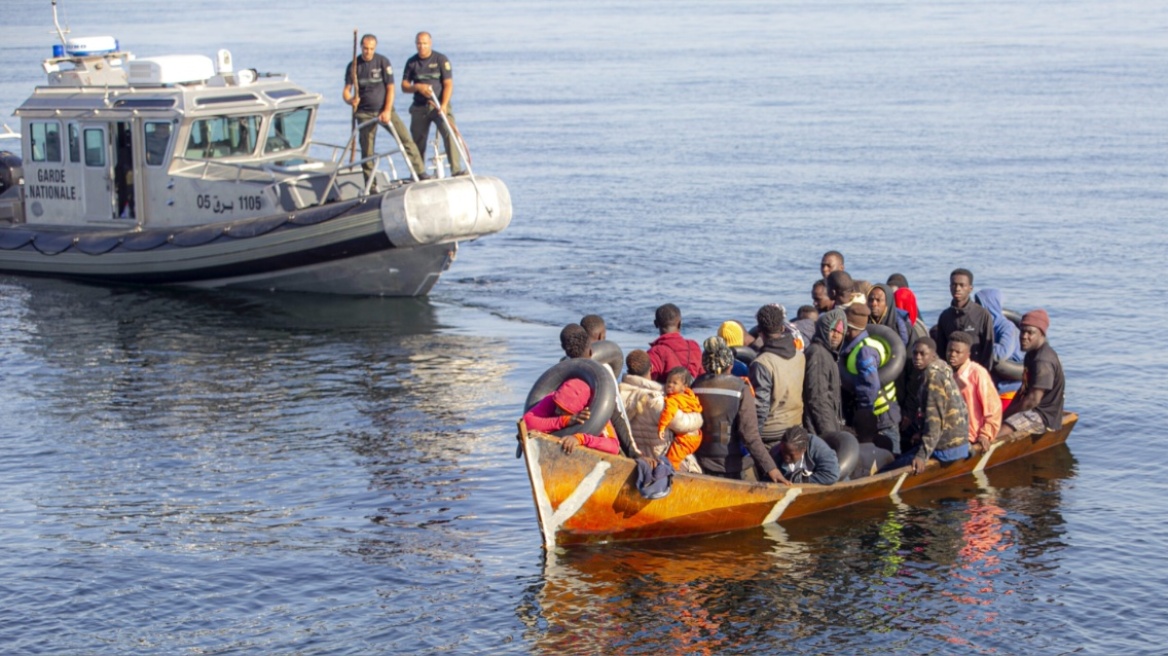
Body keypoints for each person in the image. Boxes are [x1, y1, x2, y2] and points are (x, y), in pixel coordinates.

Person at [692, 337, 787, 483]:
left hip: (701, 462)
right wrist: (771, 468)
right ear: (730, 365)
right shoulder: (740, 389)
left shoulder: (695, 386)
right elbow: (750, 435)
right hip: (734, 466)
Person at [343, 34, 427, 183]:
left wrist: (387, 110)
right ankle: (371, 183)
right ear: (361, 47)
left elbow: (391, 88)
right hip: (364, 113)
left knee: (405, 139)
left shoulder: (383, 62)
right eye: (365, 48)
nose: (368, 52)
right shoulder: (353, 65)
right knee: (367, 151)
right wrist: (350, 100)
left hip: (385, 110)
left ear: (375, 48)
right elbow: (346, 91)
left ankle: (420, 172)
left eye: (371, 49)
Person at [901, 337, 970, 474]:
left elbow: (935, 419)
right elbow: (963, 407)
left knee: (890, 467)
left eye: (922, 354)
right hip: (960, 444)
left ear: (932, 355)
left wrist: (922, 456)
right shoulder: (943, 367)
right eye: (915, 353)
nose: (917, 358)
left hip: (946, 449)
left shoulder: (932, 376)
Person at [839, 303, 901, 454]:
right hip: (885, 414)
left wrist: (865, 418)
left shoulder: (864, 352)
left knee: (889, 459)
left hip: (879, 418)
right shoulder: (867, 342)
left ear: (850, 327)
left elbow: (870, 386)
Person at [401, 32, 465, 176]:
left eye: (424, 43)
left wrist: (443, 105)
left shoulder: (441, 59)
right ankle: (418, 173)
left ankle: (456, 169)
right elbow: (404, 86)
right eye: (419, 43)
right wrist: (417, 87)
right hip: (419, 107)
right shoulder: (412, 62)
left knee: (450, 133)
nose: (421, 47)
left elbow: (448, 84)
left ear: (430, 43)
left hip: (439, 105)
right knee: (417, 140)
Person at [1000, 310, 1065, 438]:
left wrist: (1009, 417)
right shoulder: (1031, 354)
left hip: (1044, 415)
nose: (1024, 336)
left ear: (1041, 334)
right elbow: (1023, 390)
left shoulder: (1043, 360)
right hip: (1033, 409)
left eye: (1030, 332)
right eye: (1022, 331)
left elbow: (1033, 400)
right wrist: (1005, 413)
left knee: (1000, 431)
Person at [749, 304, 806, 447]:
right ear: (782, 328)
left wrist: (752, 440)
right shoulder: (800, 356)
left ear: (760, 331)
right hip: (796, 426)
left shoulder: (762, 363)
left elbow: (760, 407)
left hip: (771, 432)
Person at [522, 378, 620, 455]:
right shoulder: (552, 399)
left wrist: (581, 439)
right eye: (557, 407)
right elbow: (526, 422)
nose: (557, 411)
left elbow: (614, 446)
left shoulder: (592, 412)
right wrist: (565, 420)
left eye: (562, 410)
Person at [947, 331, 1002, 452]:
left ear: (968, 354)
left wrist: (985, 434)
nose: (952, 355)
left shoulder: (977, 373)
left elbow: (993, 408)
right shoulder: (946, 373)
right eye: (950, 350)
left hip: (973, 436)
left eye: (958, 352)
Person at [934, 268, 994, 371]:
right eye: (954, 284)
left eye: (962, 285)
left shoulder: (982, 315)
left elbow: (988, 351)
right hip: (952, 373)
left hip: (974, 372)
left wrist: (983, 374)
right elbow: (941, 350)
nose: (957, 288)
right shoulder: (945, 316)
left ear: (970, 288)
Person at [802, 308, 846, 437]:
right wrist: (830, 434)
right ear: (823, 329)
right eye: (832, 330)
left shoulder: (829, 354)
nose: (836, 335)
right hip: (817, 429)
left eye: (840, 332)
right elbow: (818, 398)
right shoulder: (818, 354)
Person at [974, 288, 1025, 395]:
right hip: (991, 383)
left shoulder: (1006, 327)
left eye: (979, 304)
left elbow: (1002, 352)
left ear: (990, 305)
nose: (976, 307)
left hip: (1009, 385)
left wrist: (978, 346)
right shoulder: (984, 326)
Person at [619, 349, 667, 458]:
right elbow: (682, 425)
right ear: (651, 368)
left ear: (628, 370)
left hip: (630, 455)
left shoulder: (618, 393)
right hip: (657, 458)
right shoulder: (657, 399)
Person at [658, 367, 704, 471]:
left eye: (675, 383)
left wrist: (662, 427)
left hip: (685, 439)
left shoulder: (673, 400)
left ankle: (675, 481)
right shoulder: (689, 395)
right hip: (696, 436)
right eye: (668, 381)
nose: (670, 385)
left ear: (684, 387)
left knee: (671, 461)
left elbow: (668, 413)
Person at [647, 303, 704, 383]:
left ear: (656, 324)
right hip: (693, 394)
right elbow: (703, 375)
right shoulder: (694, 346)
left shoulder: (654, 353)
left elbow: (648, 382)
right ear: (680, 324)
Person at [774, 426, 839, 485]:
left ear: (803, 450)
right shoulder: (775, 453)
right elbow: (768, 479)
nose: (786, 457)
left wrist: (802, 480)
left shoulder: (818, 448)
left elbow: (832, 475)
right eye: (784, 452)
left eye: (791, 455)